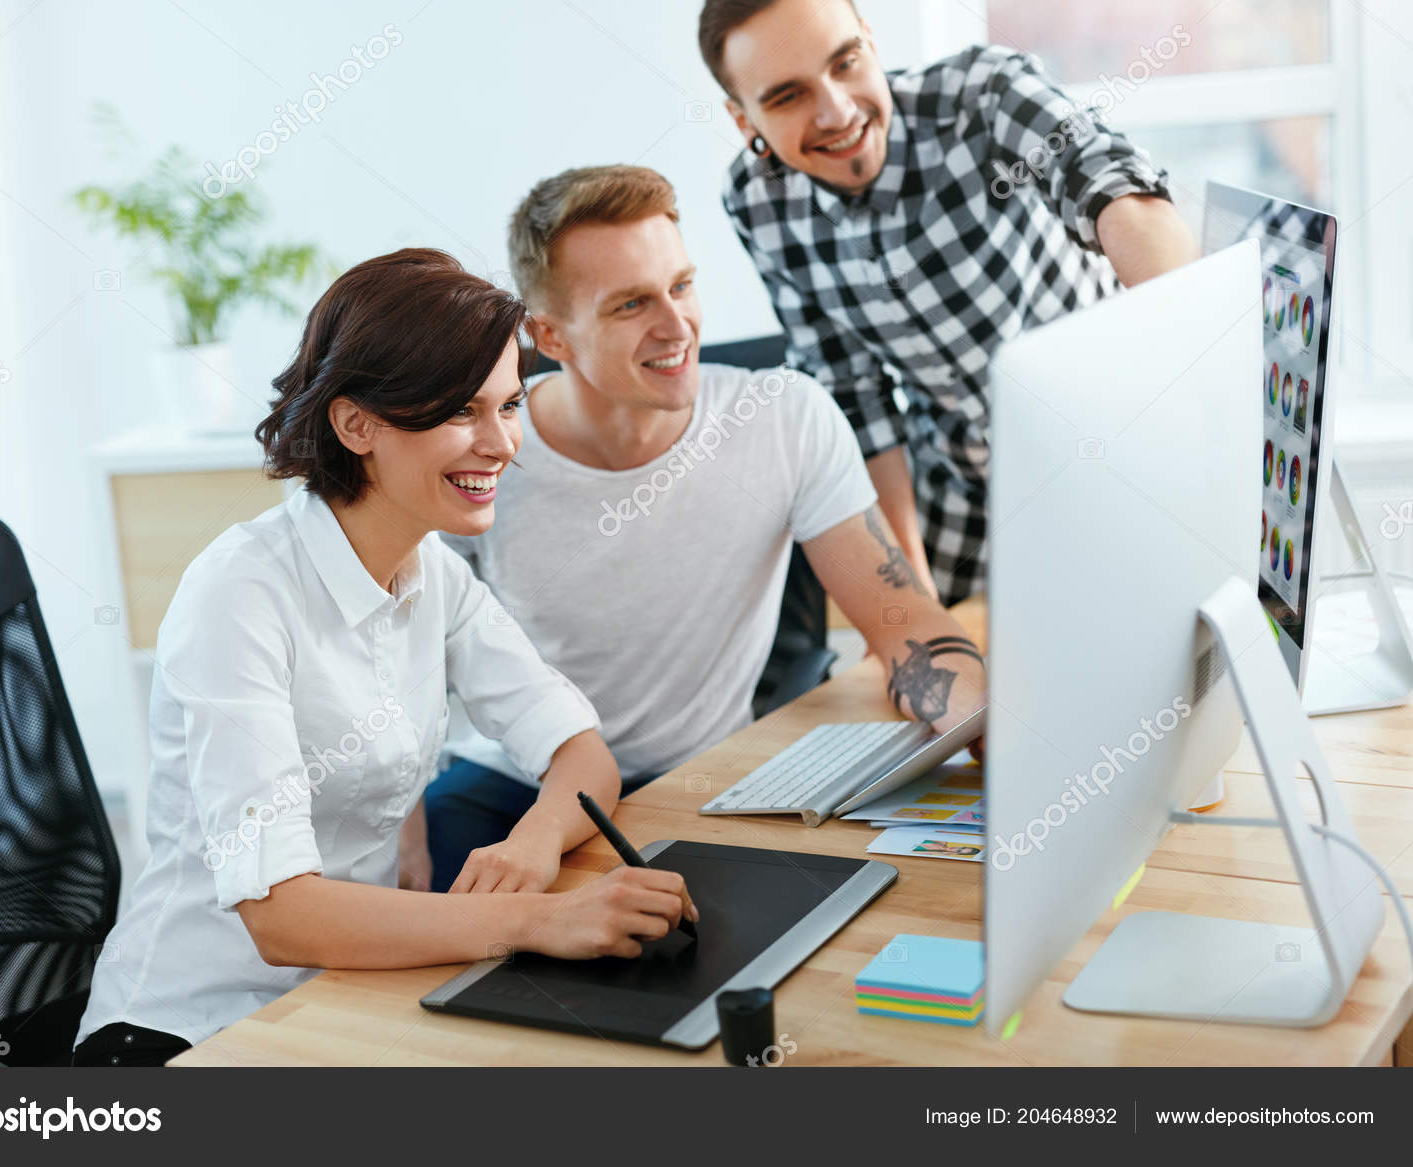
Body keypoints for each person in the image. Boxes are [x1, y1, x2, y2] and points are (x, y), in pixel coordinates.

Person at [73, 249, 696, 1067]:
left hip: (348, 990)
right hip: (188, 1032)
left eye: (508, 405)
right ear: (356, 422)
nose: (501, 442)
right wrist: (540, 918)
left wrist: (535, 844)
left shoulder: (430, 570)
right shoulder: (241, 595)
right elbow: (281, 916)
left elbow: (580, 752)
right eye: (462, 412)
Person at [424, 165, 986, 891]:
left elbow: (904, 623)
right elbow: (404, 659)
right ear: (548, 335)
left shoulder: (784, 418)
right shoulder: (486, 452)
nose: (675, 324)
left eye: (682, 286)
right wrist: (399, 811)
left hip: (699, 782)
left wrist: (979, 723)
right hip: (510, 785)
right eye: (631, 304)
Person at [701, 0, 1201, 604]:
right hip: (961, 501)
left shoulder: (982, 93)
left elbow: (1108, 182)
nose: (836, 111)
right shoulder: (757, 202)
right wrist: (910, 605)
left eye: (845, 62)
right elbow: (854, 398)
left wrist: (1195, 380)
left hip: (1119, 449)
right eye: (787, 97)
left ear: (870, 41)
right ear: (742, 118)